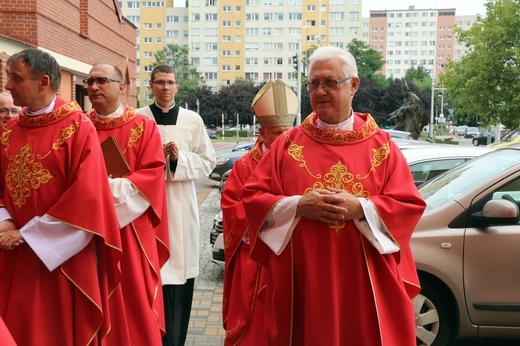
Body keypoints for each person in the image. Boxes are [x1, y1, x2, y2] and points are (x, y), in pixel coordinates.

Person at [241, 46, 426, 345]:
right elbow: (252, 198)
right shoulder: (286, 146)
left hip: (365, 287)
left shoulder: (383, 147)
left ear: (353, 85)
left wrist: (362, 208)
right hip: (304, 282)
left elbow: (407, 205)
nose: (320, 91)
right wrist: (299, 205)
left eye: (329, 82)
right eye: (313, 84)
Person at [0, 48, 125, 345]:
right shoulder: (9, 130)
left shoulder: (77, 127)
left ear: (43, 82)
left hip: (60, 261)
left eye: (15, 78)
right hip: (12, 252)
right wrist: (5, 224)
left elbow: (88, 198)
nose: (7, 86)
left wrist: (28, 235)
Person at [85, 62, 170, 345]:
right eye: (89, 81)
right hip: (87, 233)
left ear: (121, 87)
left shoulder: (143, 126)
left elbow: (151, 178)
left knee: (134, 303)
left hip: (130, 234)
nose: (93, 87)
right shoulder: (79, 126)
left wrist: (96, 190)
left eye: (101, 80)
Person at [137, 64, 217, 346]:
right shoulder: (138, 120)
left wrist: (175, 160)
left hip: (180, 209)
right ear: (151, 86)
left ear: (177, 86)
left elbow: (208, 162)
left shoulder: (192, 121)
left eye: (170, 82)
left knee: (178, 278)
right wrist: (155, 159)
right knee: (148, 279)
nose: (165, 88)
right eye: (159, 82)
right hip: (145, 208)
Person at [221, 80, 298, 345]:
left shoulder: (298, 162)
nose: (284, 138)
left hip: (290, 252)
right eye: (277, 132)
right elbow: (233, 207)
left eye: (288, 131)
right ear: (262, 132)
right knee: (254, 321)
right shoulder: (245, 165)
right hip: (254, 254)